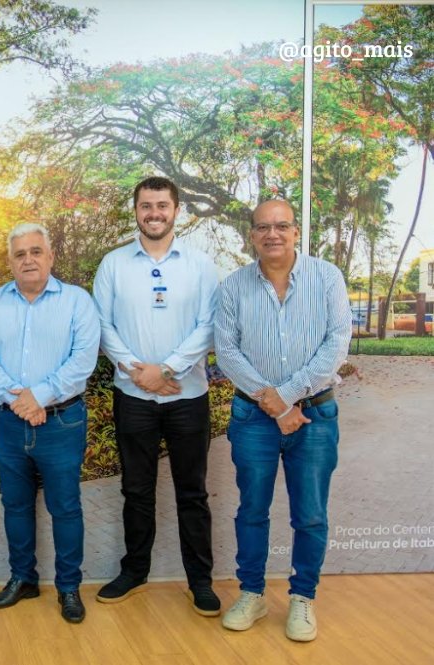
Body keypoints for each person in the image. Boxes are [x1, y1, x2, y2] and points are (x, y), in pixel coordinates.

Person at [215, 199, 351, 642]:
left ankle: (302, 599)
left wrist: (289, 398)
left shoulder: (326, 277)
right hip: (252, 416)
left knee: (310, 514)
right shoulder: (234, 286)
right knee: (252, 510)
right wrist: (273, 405)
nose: (272, 234)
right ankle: (251, 594)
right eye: (262, 227)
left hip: (314, 415)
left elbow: (336, 344)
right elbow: (228, 352)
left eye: (281, 226)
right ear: (252, 235)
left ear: (296, 232)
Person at [92, 177, 221, 615]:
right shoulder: (113, 264)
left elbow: (208, 326)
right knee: (136, 490)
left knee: (193, 493)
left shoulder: (202, 265)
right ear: (136, 211)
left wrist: (165, 370)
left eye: (162, 205)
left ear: (176, 210)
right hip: (133, 397)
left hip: (188, 396)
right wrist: (139, 373)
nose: (154, 213)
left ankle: (200, 580)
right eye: (146, 205)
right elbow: (103, 327)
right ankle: (135, 571)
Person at [0, 222, 100, 623]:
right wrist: (17, 398)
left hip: (61, 423)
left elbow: (83, 361)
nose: (28, 259)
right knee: (15, 505)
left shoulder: (77, 301)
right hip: (9, 423)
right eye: (20, 253)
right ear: (10, 262)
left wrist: (38, 396)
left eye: (36, 251)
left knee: (65, 508)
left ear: (50, 256)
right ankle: (23, 578)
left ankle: (68, 588)